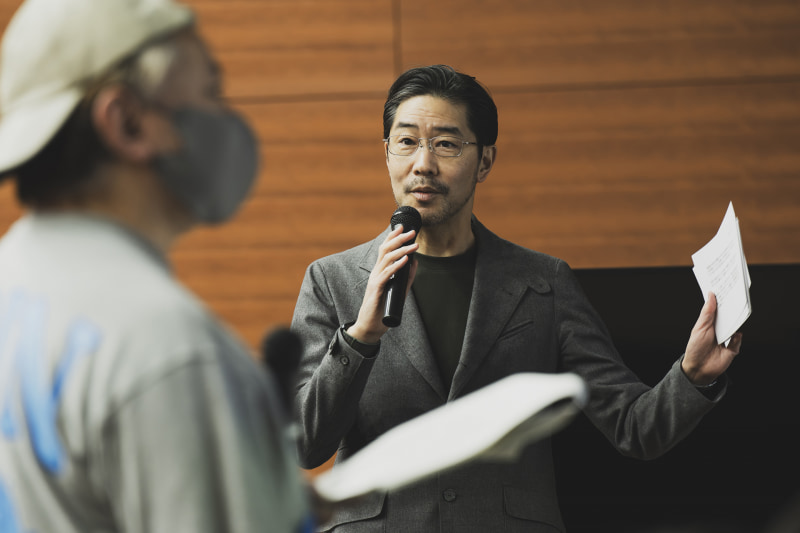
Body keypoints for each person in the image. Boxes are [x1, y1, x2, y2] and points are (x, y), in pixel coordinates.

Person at [291, 64, 742, 532]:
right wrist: (361, 337)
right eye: (406, 141)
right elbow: (304, 444)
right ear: (386, 153)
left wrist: (694, 376)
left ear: (484, 161)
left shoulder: (543, 282)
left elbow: (634, 428)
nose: (423, 163)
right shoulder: (331, 280)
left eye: (445, 144)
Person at [0, 0, 312, 531]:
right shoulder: (171, 352)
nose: (225, 116)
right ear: (128, 123)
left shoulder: (13, 280)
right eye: (211, 91)